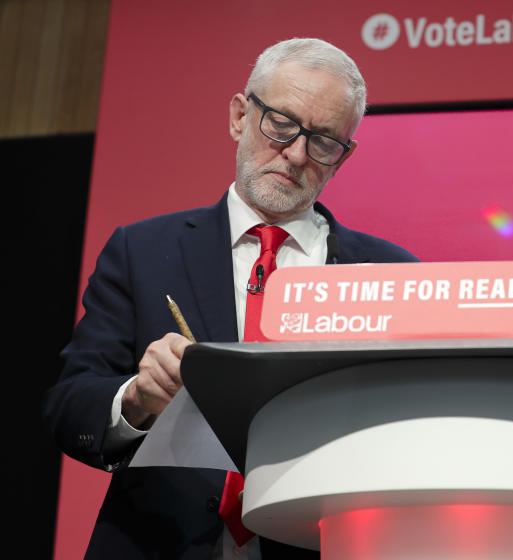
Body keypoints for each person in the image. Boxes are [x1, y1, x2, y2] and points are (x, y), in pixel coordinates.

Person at [43, 38, 418, 559]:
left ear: (343, 158)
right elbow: (68, 406)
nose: (295, 153)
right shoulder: (143, 250)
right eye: (281, 124)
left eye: (324, 141)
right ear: (240, 117)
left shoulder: (392, 275)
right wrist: (135, 398)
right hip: (156, 543)